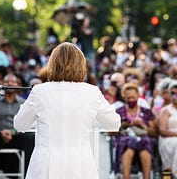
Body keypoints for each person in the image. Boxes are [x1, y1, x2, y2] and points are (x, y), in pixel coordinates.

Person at [14, 42, 121, 179]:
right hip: (80, 165)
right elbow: (114, 122)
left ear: (52, 64)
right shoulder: (91, 92)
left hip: (45, 165)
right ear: (81, 65)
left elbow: (20, 124)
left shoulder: (40, 91)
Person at [0, 73, 35, 179]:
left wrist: (12, 132)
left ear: (18, 85)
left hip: (16, 135)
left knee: (32, 138)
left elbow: (27, 123)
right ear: (2, 84)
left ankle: (29, 176)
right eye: (7, 81)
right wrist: (1, 132)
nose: (10, 83)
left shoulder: (24, 103)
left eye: (13, 82)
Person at [114, 82, 157, 179]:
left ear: (138, 96)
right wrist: (126, 125)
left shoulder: (146, 111)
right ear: (124, 98)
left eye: (133, 97)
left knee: (145, 146)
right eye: (128, 98)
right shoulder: (119, 111)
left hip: (143, 140)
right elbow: (111, 131)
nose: (131, 100)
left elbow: (154, 133)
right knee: (128, 147)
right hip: (125, 140)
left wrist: (142, 125)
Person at [158, 80, 177, 178]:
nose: (175, 96)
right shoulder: (166, 110)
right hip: (167, 139)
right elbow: (162, 130)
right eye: (172, 93)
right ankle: (169, 176)